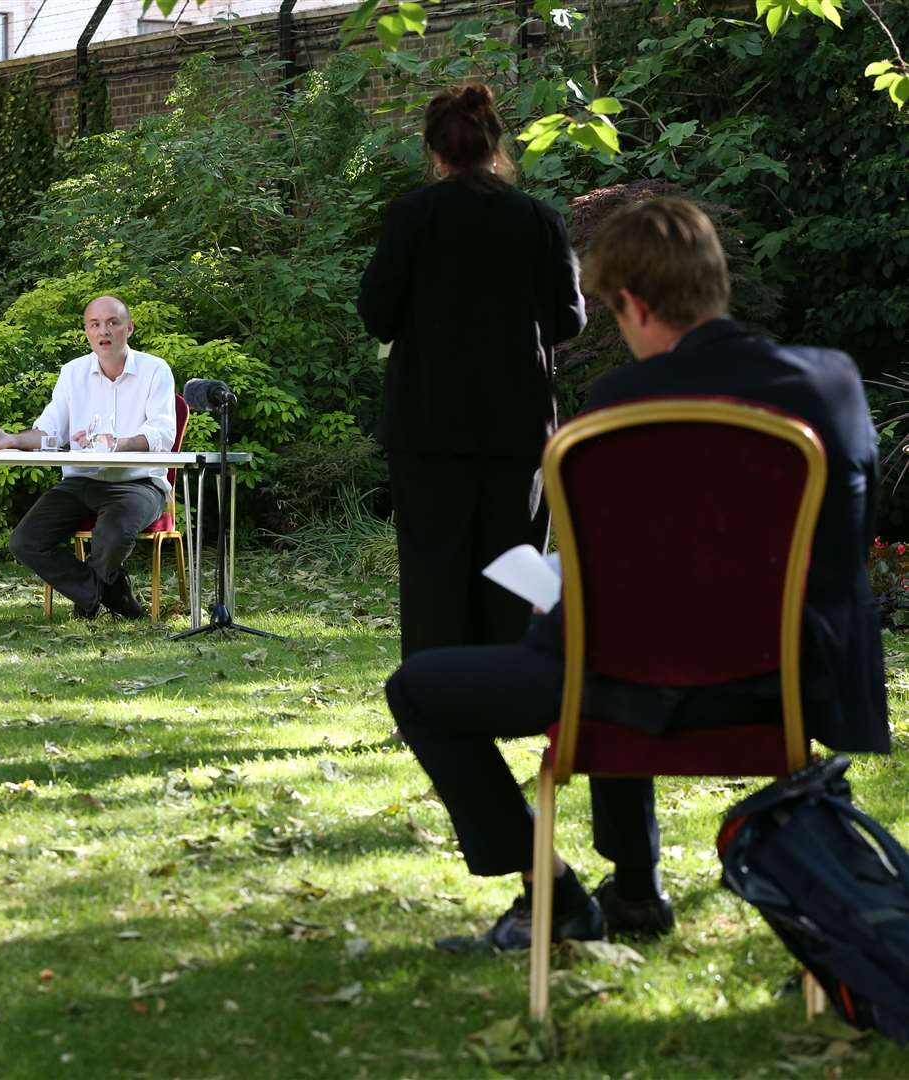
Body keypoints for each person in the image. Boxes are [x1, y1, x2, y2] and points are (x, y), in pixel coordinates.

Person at [384, 196, 888, 951]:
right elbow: (850, 536)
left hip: (639, 684)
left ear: (632, 303)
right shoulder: (831, 383)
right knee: (622, 647)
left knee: (429, 686)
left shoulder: (619, 409)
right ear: (715, 283)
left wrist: (551, 604)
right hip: (792, 679)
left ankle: (551, 891)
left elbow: (604, 579)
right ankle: (636, 889)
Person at [358, 84, 586, 661]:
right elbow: (569, 318)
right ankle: (508, 691)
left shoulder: (411, 216)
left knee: (433, 569)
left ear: (434, 151)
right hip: (517, 422)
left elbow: (377, 311)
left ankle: (436, 694)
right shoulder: (538, 219)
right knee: (514, 565)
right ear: (495, 146)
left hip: (427, 422)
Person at [0, 295, 177, 619]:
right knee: (25, 541)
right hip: (81, 481)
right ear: (86, 332)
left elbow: (164, 432)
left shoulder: (155, 370)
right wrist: (9, 439)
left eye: (112, 322)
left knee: (111, 538)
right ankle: (110, 592)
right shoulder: (72, 373)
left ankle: (90, 599)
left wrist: (120, 444)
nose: (104, 331)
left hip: (138, 483)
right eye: (95, 324)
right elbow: (49, 433)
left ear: (129, 328)